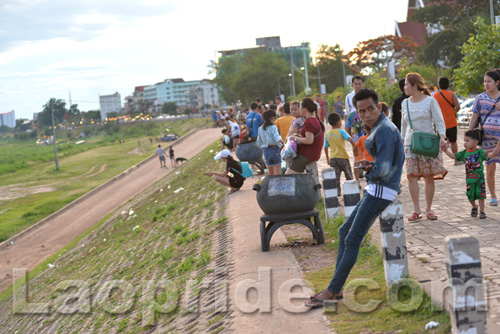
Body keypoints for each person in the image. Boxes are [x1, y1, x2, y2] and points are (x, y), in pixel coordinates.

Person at [306, 88, 404, 308]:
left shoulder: (385, 129)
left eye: (370, 108)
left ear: (379, 107)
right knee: (343, 232)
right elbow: (384, 161)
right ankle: (337, 288)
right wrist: (370, 166)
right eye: (362, 111)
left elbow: (386, 166)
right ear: (357, 114)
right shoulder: (379, 127)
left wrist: (368, 170)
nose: (367, 114)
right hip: (375, 188)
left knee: (352, 239)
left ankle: (332, 291)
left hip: (381, 190)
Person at [401, 72, 447, 221]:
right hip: (410, 144)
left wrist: (442, 137)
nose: (404, 87)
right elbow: (403, 125)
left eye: (406, 84)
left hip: (428, 144)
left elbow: (439, 121)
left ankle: (428, 210)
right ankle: (416, 210)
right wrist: (402, 141)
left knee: (428, 177)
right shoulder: (405, 103)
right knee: (411, 177)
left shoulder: (430, 101)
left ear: (414, 86)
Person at [444, 130, 493, 219]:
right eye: (464, 141)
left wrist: (496, 150)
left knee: (480, 194)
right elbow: (453, 156)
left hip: (479, 178)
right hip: (469, 179)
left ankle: (482, 211)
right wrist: (445, 150)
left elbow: (489, 155)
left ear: (475, 142)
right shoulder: (464, 153)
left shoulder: (480, 152)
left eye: (467, 141)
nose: (465, 143)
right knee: (470, 196)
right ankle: (474, 206)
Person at [468, 69, 500, 206]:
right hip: (487, 140)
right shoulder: (480, 98)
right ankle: (493, 196)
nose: (486, 84)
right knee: (490, 167)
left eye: (489, 81)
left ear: (497, 83)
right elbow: (474, 116)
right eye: (484, 81)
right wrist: (469, 135)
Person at [286, 97, 325, 174]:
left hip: (308, 154)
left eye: (300, 107)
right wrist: (299, 137)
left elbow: (309, 140)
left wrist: (295, 138)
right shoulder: (313, 119)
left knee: (288, 174)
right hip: (312, 152)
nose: (299, 109)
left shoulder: (309, 122)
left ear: (305, 109)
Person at [324, 112, 357, 196]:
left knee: (335, 178)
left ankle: (337, 193)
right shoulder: (341, 131)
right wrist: (355, 147)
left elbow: (325, 147)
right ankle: (351, 192)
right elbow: (350, 139)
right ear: (339, 122)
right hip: (343, 158)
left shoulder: (328, 134)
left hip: (333, 159)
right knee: (349, 176)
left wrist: (328, 159)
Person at [346, 76, 366, 181]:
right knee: (357, 156)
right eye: (356, 84)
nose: (358, 86)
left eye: (359, 83)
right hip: (355, 133)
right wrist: (348, 136)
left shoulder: (368, 95)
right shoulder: (349, 97)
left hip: (367, 131)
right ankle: (357, 178)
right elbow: (347, 114)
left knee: (369, 155)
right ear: (352, 85)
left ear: (363, 84)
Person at [434, 77, 461, 158]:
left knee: (440, 142)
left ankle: (439, 160)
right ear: (448, 85)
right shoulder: (452, 94)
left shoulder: (435, 96)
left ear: (439, 85)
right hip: (452, 122)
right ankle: (456, 159)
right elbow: (458, 107)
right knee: (453, 142)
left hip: (440, 124)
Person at [257, 110, 284, 175]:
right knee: (277, 174)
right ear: (272, 117)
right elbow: (276, 137)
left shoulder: (260, 129)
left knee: (271, 175)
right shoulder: (273, 127)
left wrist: (263, 146)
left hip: (266, 151)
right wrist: (282, 143)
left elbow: (259, 141)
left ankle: (271, 185)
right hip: (275, 150)